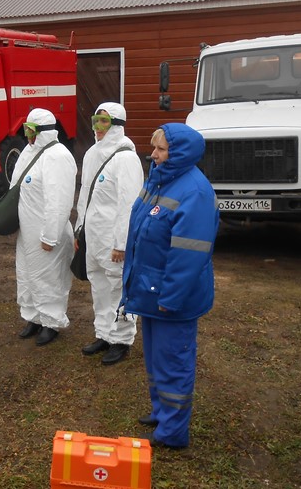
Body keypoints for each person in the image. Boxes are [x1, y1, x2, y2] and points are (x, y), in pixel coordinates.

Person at [120, 123, 219, 449]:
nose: (154, 154)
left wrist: (171, 298)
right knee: (156, 359)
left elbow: (188, 254)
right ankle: (162, 411)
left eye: (161, 149)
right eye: (154, 148)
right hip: (152, 291)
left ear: (179, 153)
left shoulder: (194, 192)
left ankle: (172, 432)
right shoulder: (160, 179)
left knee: (174, 362)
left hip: (170, 298)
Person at [75, 102, 144, 365]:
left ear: (117, 124)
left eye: (104, 122)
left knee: (119, 289)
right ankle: (104, 333)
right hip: (93, 236)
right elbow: (84, 195)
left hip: (114, 240)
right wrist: (79, 229)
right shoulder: (92, 154)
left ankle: (122, 339)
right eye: (95, 121)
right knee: (99, 287)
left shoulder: (126, 158)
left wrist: (122, 243)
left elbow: (129, 205)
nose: (98, 128)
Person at [14, 108, 77, 346]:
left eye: (31, 130)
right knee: (27, 275)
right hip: (27, 231)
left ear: (43, 131)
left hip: (46, 233)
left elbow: (59, 201)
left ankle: (52, 321)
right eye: (25, 130)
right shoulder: (28, 153)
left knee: (49, 277)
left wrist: (50, 235)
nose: (28, 135)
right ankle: (34, 317)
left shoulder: (57, 156)